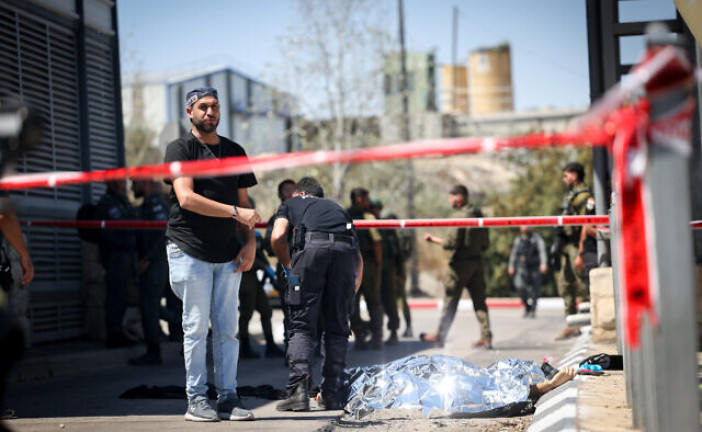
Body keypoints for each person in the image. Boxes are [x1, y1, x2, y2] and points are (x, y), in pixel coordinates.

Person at [164, 87, 261, 422]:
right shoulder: (180, 148)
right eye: (203, 107)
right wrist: (235, 212)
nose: (210, 112)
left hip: (228, 254)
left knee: (227, 329)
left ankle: (228, 397)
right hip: (189, 249)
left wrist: (251, 243)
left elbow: (246, 205)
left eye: (215, 106)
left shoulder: (235, 151)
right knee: (194, 328)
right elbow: (187, 198)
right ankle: (196, 400)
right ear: (190, 112)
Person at [270, 177, 363, 411]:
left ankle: (298, 392)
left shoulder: (291, 204)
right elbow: (358, 259)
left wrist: (289, 267)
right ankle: (332, 395)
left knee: (301, 325)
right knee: (337, 327)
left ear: (298, 194)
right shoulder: (338, 209)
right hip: (345, 256)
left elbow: (277, 236)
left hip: (312, 252)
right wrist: (349, 293)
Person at [419, 185, 492, 349]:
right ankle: (486, 336)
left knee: (450, 301)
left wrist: (433, 240)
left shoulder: (461, 216)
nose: (449, 200)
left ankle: (440, 335)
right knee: (479, 301)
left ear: (460, 198)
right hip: (477, 262)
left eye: (451, 197)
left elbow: (451, 243)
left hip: (460, 264)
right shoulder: (477, 214)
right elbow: (486, 242)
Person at [551, 162, 597, 340]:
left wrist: (580, 253)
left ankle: (588, 326)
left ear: (575, 176)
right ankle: (571, 325)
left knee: (582, 285)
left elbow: (587, 224)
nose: (564, 180)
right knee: (565, 284)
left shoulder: (585, 197)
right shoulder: (572, 196)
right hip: (567, 245)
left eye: (566, 176)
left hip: (579, 244)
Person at [129, 179, 170, 366]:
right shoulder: (147, 205)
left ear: (143, 184)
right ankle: (153, 350)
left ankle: (154, 352)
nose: (132, 188)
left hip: (155, 263)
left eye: (134, 184)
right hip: (151, 262)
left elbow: (163, 232)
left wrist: (148, 258)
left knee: (150, 307)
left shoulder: (155, 204)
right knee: (149, 307)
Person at [238, 197, 285, 359]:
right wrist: (264, 267)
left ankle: (270, 345)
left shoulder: (253, 232)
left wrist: (269, 273)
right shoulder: (237, 229)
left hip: (254, 276)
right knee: (247, 312)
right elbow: (243, 254)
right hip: (243, 275)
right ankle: (244, 346)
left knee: (266, 310)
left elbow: (260, 255)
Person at [95, 180, 136, 349]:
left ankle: (119, 330)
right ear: (111, 184)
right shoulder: (106, 203)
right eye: (119, 183)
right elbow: (113, 230)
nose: (123, 185)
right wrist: (123, 242)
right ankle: (114, 333)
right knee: (115, 295)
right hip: (115, 255)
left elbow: (133, 220)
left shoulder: (123, 201)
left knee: (123, 295)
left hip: (127, 254)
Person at [347, 188, 383, 350]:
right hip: (367, 264)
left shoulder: (343, 215)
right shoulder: (368, 217)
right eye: (367, 198)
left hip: (349, 264)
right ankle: (376, 337)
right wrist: (379, 265)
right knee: (373, 301)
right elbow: (377, 244)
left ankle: (360, 338)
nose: (369, 202)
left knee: (353, 302)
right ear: (359, 199)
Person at [263, 179, 296, 356]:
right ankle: (292, 352)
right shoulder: (277, 218)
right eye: (286, 190)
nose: (291, 193)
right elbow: (270, 245)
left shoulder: (308, 214)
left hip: (309, 269)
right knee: (290, 310)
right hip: (288, 269)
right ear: (279, 195)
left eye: (294, 190)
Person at [369, 199, 400, 346]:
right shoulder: (368, 223)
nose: (375, 211)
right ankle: (376, 332)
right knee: (375, 302)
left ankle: (393, 331)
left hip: (387, 269)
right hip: (373, 269)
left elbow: (396, 249)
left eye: (376, 208)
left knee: (389, 300)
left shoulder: (384, 225)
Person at [508, 226, 548, 318]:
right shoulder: (518, 240)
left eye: (527, 225)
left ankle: (533, 309)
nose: (525, 227)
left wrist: (543, 263)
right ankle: (527, 306)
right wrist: (511, 266)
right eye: (523, 225)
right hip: (522, 267)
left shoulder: (536, 238)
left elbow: (542, 251)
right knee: (519, 286)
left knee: (535, 289)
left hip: (534, 267)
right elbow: (514, 254)